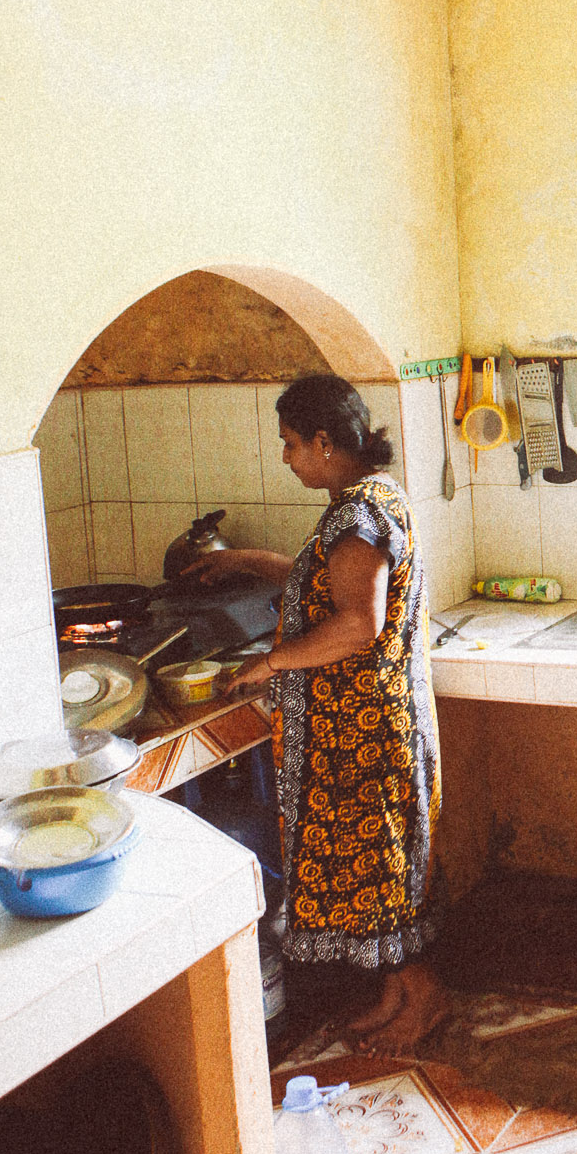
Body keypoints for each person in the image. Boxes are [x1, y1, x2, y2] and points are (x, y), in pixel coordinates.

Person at [197, 374, 446, 1049]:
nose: (286, 457)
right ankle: (395, 991)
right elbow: (325, 579)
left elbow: (356, 624)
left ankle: (422, 997)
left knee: (381, 865)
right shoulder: (368, 499)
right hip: (365, 724)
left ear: (324, 441)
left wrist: (270, 663)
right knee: (377, 868)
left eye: (290, 444)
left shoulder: (356, 516)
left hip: (363, 729)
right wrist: (249, 561)